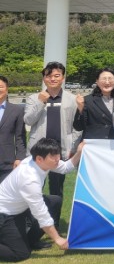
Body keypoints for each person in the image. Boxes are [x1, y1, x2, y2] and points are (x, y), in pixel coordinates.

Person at [0, 138, 84, 262]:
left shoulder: (37, 161)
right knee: (20, 253)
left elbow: (66, 167)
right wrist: (57, 239)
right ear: (40, 159)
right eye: (53, 156)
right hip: (5, 213)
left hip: (20, 206)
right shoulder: (30, 179)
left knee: (54, 201)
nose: (57, 159)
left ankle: (30, 241)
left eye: (57, 154)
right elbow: (41, 214)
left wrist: (79, 152)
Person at [24, 62, 80, 215]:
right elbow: (28, 120)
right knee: (34, 189)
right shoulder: (33, 98)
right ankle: (31, 223)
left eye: (57, 75)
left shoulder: (72, 99)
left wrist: (72, 146)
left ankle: (54, 222)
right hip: (38, 153)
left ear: (63, 77)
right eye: (49, 76)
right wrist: (40, 102)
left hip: (59, 152)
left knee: (57, 190)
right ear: (44, 78)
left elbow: (77, 126)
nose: (53, 79)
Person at [73, 68, 114, 139]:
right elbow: (78, 127)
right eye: (104, 79)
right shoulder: (87, 100)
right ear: (97, 81)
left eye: (110, 79)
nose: (107, 82)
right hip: (94, 144)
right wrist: (80, 108)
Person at [0, 76, 26, 184]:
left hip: (7, 162)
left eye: (0, 86)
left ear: (7, 89)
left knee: (5, 193)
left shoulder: (17, 110)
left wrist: (19, 158)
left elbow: (20, 136)